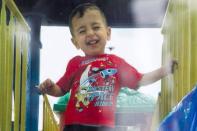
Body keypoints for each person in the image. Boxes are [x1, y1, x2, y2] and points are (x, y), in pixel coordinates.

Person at [39, 3, 178, 131]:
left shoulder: (115, 63)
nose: (90, 33)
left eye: (96, 27)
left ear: (108, 33)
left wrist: (164, 70)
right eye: (82, 31)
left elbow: (140, 80)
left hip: (104, 126)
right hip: (74, 126)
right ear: (75, 42)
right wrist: (50, 88)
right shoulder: (75, 63)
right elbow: (61, 89)